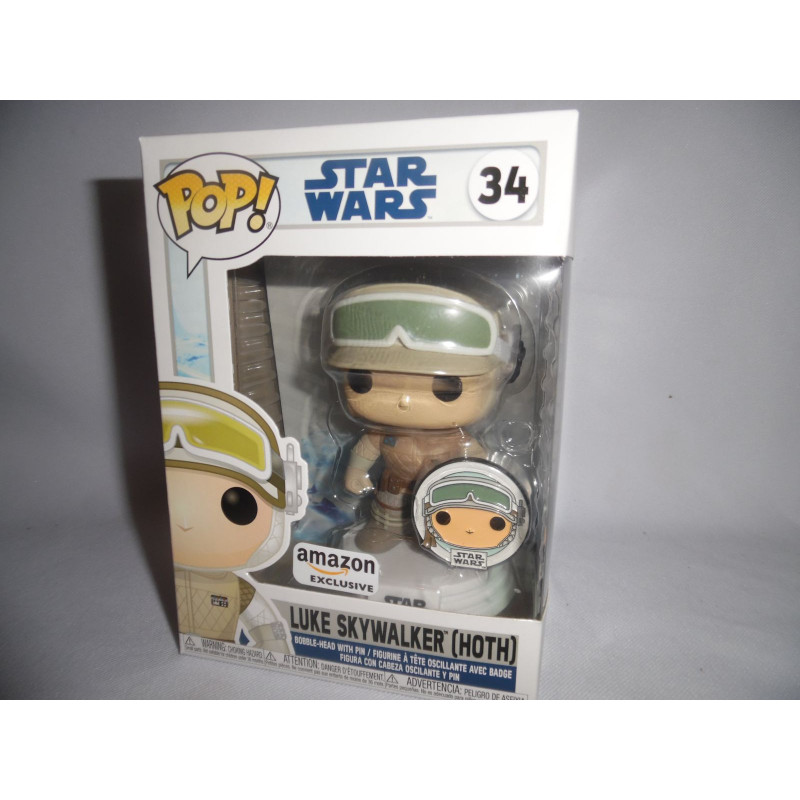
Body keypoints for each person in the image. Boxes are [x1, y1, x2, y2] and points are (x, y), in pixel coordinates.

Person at [160, 381, 305, 651]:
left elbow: (270, 630)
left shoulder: (241, 591)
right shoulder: (159, 576)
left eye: (237, 507)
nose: (186, 523)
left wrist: (275, 648)